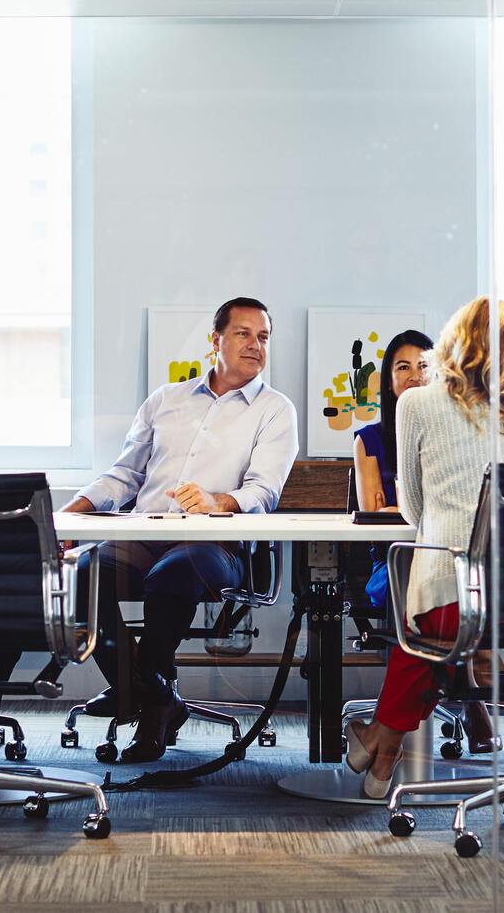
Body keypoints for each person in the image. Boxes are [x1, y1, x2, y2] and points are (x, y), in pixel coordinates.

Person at [63, 297, 298, 763]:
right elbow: (124, 475)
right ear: (216, 340)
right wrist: (71, 513)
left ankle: (146, 708)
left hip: (216, 543)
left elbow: (265, 491)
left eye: (264, 337)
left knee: (173, 575)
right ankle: (154, 694)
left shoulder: (275, 410)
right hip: (144, 534)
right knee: (83, 573)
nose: (256, 345)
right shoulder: (165, 401)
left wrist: (218, 503)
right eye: (243, 334)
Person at [343, 297, 504, 798]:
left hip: (449, 593)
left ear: (449, 344)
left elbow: (413, 511)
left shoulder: (419, 403)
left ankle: (378, 739)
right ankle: (382, 747)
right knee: (438, 632)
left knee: (430, 629)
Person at [352, 329, 432, 606]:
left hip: (442, 552)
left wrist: (399, 509)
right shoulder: (368, 440)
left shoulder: (451, 435)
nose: (416, 376)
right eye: (404, 367)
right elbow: (375, 518)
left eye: (424, 365)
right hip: (394, 560)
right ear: (388, 381)